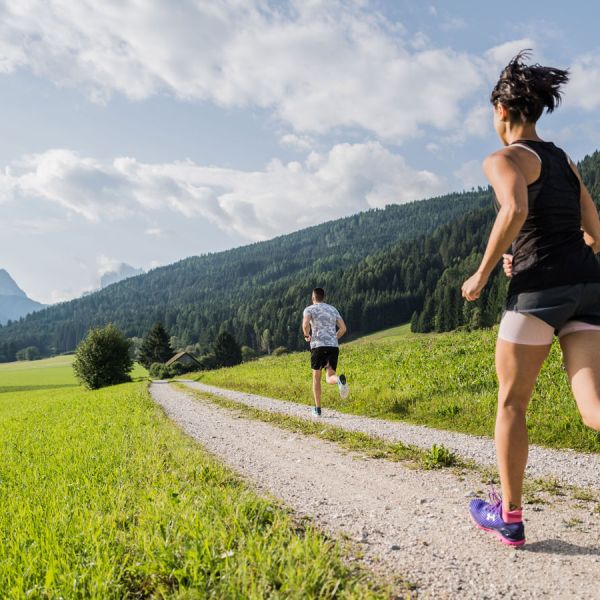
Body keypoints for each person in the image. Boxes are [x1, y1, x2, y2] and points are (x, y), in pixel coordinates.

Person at [461, 50, 600, 547]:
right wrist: (548, 252)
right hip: (588, 286)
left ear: (501, 110)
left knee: (512, 403)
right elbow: (595, 232)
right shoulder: (564, 159)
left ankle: (511, 516)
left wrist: (480, 274)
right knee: (593, 409)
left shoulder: (502, 158)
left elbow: (515, 207)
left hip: (538, 293)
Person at [302, 287, 349, 416]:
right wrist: (334, 338)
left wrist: (306, 335)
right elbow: (343, 328)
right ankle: (339, 380)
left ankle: (318, 410)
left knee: (316, 378)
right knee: (329, 377)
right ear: (323, 297)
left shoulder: (309, 309)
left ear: (313, 298)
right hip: (333, 346)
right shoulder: (333, 309)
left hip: (318, 346)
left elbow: (305, 325)